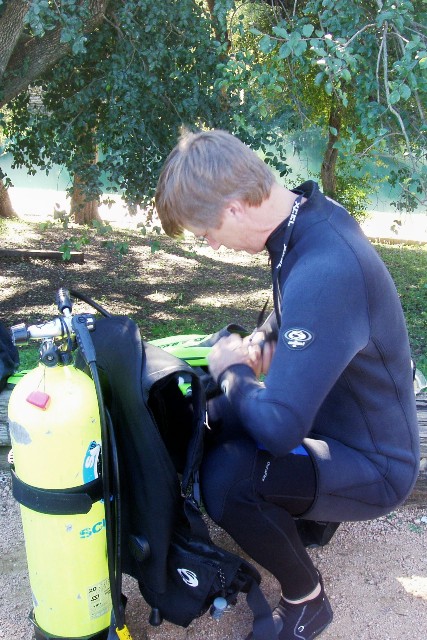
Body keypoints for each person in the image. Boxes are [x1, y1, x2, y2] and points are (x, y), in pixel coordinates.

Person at [155, 129, 419, 640]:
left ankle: (307, 600)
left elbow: (278, 429)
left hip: (376, 463)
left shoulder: (329, 265)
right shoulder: (304, 221)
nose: (208, 242)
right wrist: (263, 338)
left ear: (234, 207)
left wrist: (231, 368)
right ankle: (296, 519)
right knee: (211, 415)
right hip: (332, 420)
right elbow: (297, 310)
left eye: (204, 229)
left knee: (229, 478)